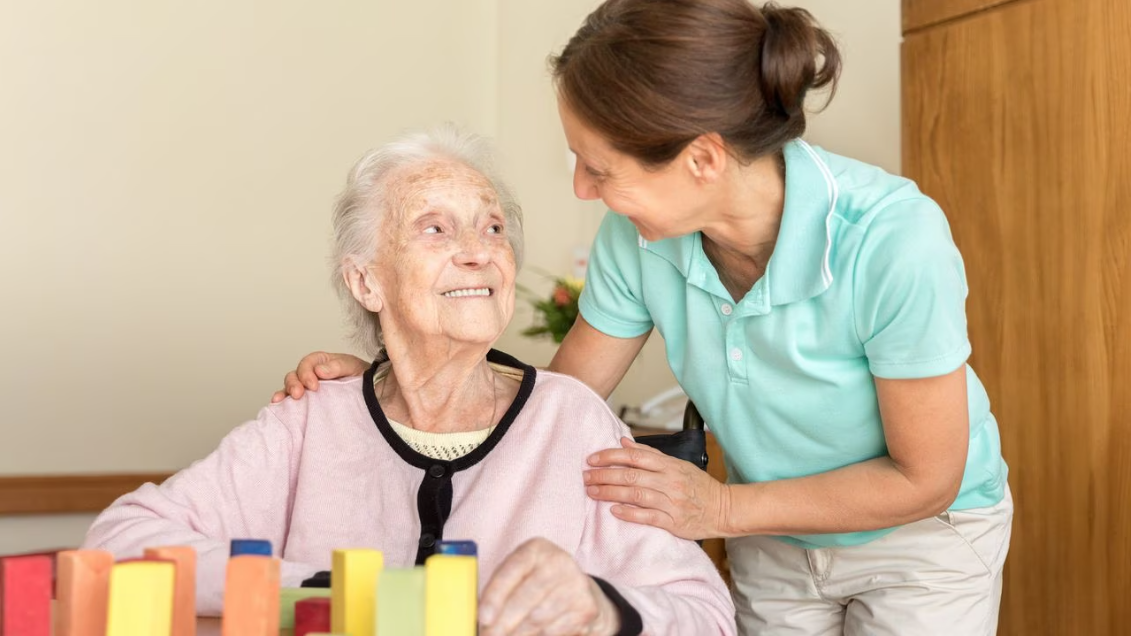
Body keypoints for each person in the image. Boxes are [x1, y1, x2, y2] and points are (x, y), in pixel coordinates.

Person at [277, 1, 1015, 634]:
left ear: (701, 160)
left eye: (598, 168)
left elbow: (927, 476)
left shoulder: (889, 238)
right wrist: (400, 381)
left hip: (922, 540)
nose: (581, 188)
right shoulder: (638, 241)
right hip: (769, 535)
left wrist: (720, 505)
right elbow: (556, 405)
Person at [84, 126, 736, 635]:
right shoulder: (312, 418)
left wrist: (600, 608)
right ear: (366, 281)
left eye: (493, 227)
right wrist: (346, 591)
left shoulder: (570, 419)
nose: (478, 250)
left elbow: (703, 613)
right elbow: (122, 542)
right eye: (434, 228)